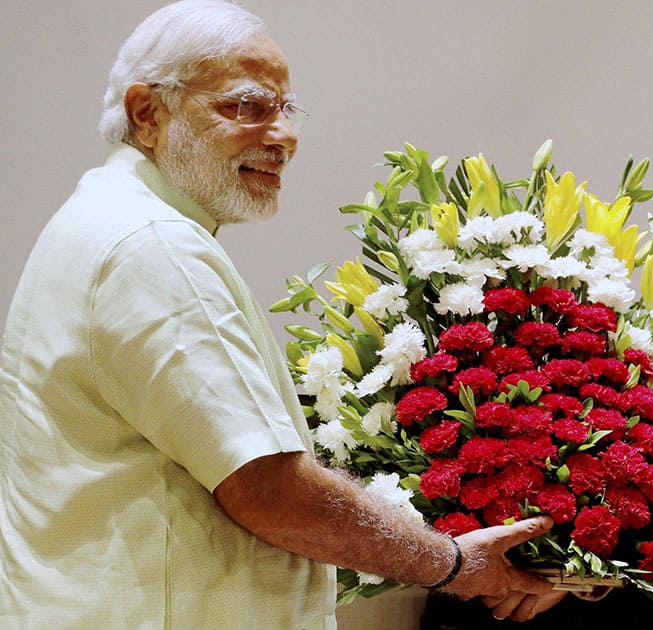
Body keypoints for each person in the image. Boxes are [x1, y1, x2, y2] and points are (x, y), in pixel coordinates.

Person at [0, 2, 554, 627]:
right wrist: (451, 562)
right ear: (147, 113)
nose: (282, 135)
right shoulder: (152, 244)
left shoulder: (107, 218)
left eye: (285, 109)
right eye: (245, 106)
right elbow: (269, 492)